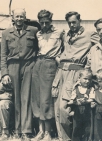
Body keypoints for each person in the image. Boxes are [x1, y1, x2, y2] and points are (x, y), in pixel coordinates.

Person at [52, 11, 99, 140]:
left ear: (80, 21)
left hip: (75, 72)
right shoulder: (65, 34)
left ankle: (75, 137)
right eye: (69, 23)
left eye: (74, 22)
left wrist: (89, 66)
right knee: (57, 108)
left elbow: (101, 46)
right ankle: (63, 138)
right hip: (60, 72)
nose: (72, 25)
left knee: (66, 108)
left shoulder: (89, 35)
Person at [1, 8, 38, 141]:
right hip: (13, 66)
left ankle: (26, 131)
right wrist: (4, 73)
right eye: (17, 16)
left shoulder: (33, 30)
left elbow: (39, 49)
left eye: (21, 16)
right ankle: (17, 130)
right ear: (13, 17)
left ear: (25, 17)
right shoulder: (6, 33)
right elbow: (3, 55)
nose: (19, 19)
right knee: (16, 98)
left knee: (26, 98)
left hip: (28, 65)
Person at [31, 10, 64, 141]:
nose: (44, 25)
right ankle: (40, 131)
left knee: (46, 99)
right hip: (38, 64)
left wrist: (59, 59)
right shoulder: (38, 33)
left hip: (50, 64)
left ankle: (48, 133)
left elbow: (65, 49)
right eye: (42, 22)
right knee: (37, 98)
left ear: (51, 21)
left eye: (47, 22)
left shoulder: (59, 32)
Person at [67, 69, 94, 141]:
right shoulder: (75, 88)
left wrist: (86, 101)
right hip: (77, 112)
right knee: (76, 128)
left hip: (87, 113)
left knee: (87, 128)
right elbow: (71, 100)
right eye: (85, 79)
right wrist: (75, 102)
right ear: (79, 78)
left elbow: (92, 99)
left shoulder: (90, 89)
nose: (87, 81)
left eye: (89, 79)